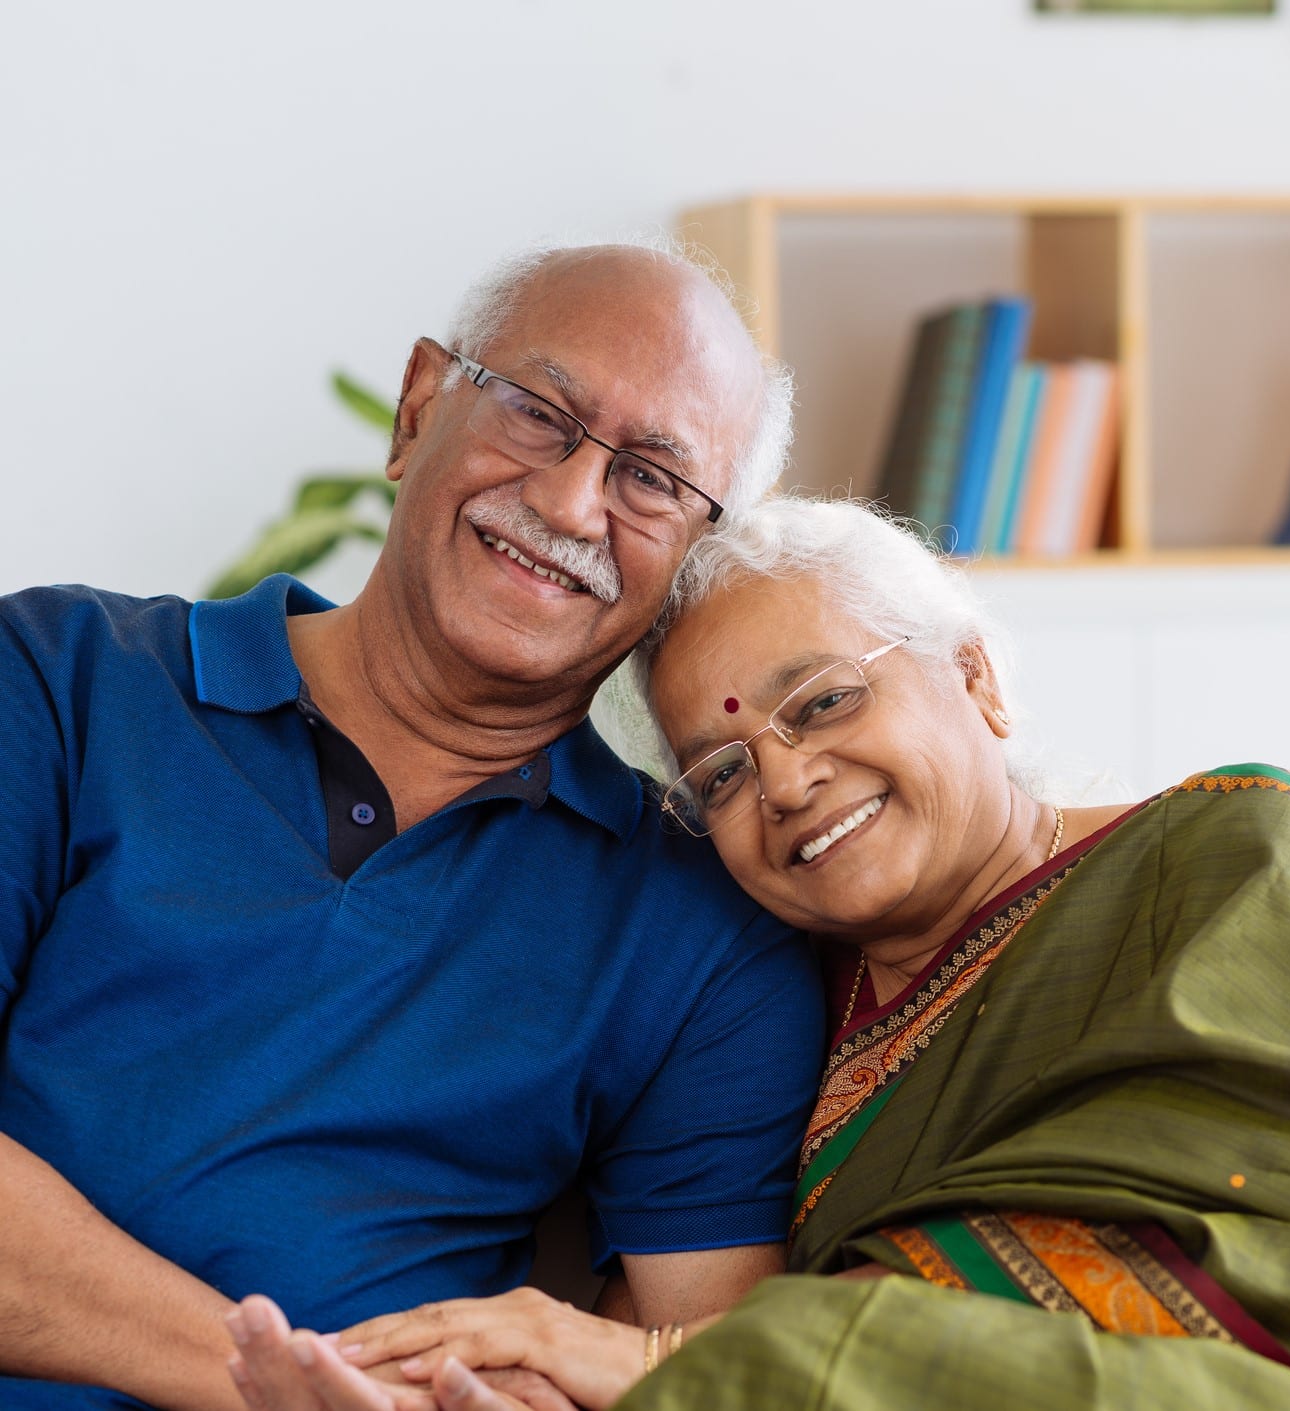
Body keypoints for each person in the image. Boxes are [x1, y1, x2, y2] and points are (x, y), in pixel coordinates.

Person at [230, 495, 1290, 1411]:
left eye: (827, 703)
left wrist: (657, 1365)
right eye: (723, 774)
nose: (787, 781)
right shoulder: (761, 993)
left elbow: (1277, 1270)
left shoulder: (1232, 850)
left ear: (976, 678)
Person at [0, 243, 829, 1410]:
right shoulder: (54, 681)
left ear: (695, 562)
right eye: (542, 415)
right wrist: (285, 1388)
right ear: (418, 407)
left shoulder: (704, 927)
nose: (569, 501)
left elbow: (703, 1367)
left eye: (652, 477)